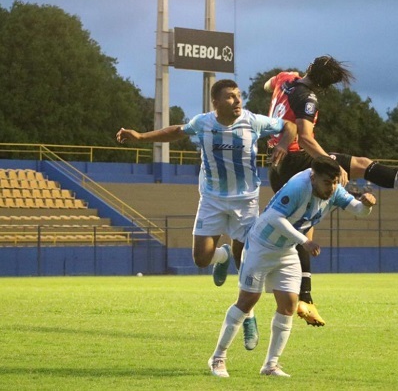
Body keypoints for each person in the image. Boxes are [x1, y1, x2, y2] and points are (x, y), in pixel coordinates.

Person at [265, 55, 398, 325]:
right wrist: (331, 163)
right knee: (363, 165)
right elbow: (306, 138)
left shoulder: (285, 79)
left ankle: (306, 299)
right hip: (295, 159)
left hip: (275, 164)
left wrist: (283, 94)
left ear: (309, 68)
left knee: (304, 231)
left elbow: (267, 85)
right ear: (324, 87)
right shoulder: (308, 98)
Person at [116, 79, 295, 350]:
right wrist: (141, 136)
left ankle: (249, 315)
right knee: (201, 259)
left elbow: (290, 126)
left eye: (238, 96)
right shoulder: (203, 123)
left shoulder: (253, 121)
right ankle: (219, 256)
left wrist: (283, 144)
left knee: (245, 262)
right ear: (216, 103)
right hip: (211, 200)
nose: (237, 101)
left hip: (245, 202)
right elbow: (175, 131)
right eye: (230, 97)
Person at [208, 155, 376, 378]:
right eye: (328, 183)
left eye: (335, 182)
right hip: (262, 245)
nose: (332, 188)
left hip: (286, 250)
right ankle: (217, 358)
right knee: (247, 301)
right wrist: (304, 240)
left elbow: (358, 210)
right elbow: (275, 218)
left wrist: (367, 205)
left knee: (288, 304)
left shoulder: (333, 189)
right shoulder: (299, 185)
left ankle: (270, 365)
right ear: (314, 176)